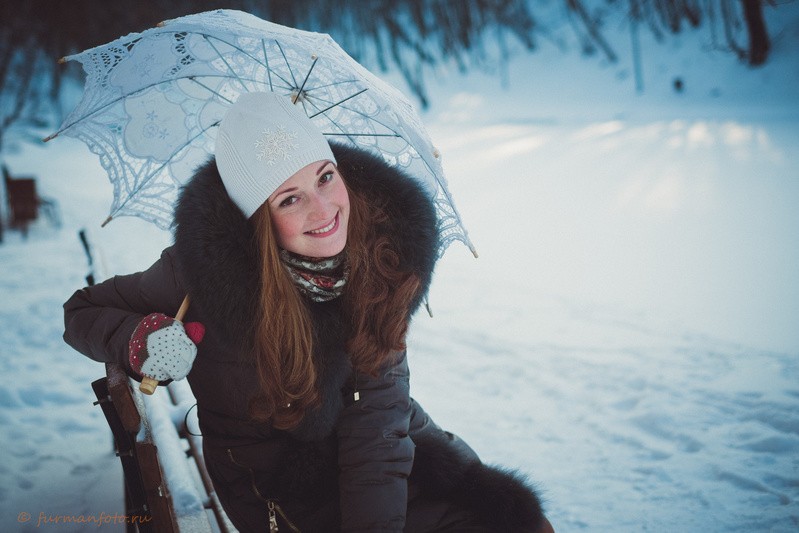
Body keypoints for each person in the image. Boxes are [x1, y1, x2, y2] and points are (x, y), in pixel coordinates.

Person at [63, 92, 554, 532]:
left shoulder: (379, 257)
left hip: (385, 440)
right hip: (283, 483)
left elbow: (377, 426)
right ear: (256, 218)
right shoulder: (199, 279)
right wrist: (142, 340)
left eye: (325, 177)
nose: (324, 211)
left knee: (520, 521)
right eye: (290, 198)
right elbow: (81, 311)